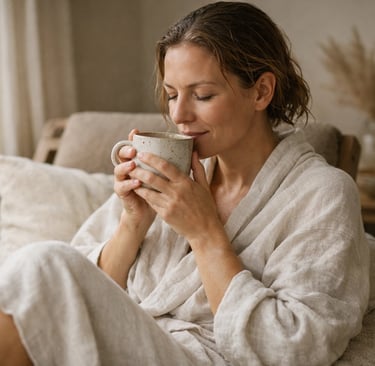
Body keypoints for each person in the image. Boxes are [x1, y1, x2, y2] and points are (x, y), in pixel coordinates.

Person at [0, 2, 370, 365]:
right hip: (128, 339)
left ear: (261, 91)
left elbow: (294, 347)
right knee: (41, 271)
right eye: (173, 94)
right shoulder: (172, 172)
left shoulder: (322, 193)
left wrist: (205, 232)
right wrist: (133, 222)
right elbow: (82, 296)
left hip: (200, 357)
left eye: (203, 95)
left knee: (43, 263)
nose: (178, 115)